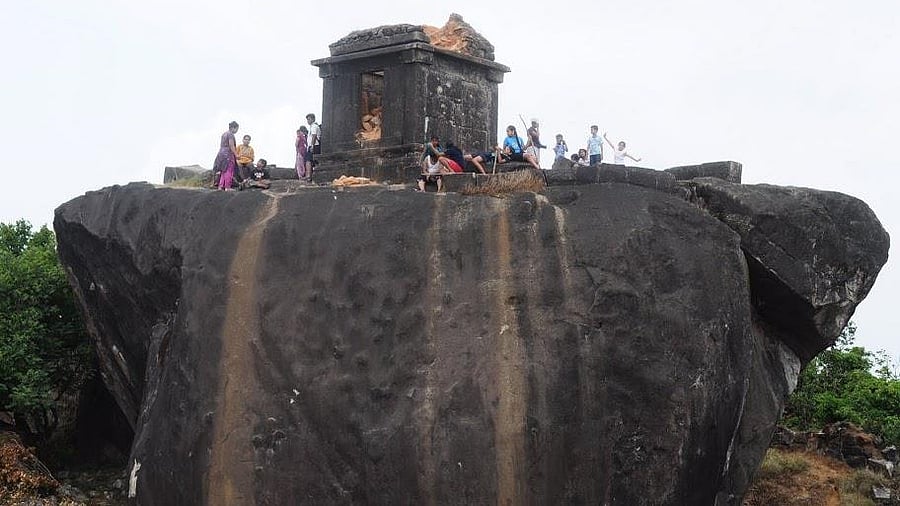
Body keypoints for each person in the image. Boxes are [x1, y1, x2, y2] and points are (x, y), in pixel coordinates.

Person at [212, 121, 239, 190]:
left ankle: (220, 186)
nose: (236, 131)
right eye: (236, 129)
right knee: (229, 170)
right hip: (228, 154)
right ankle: (227, 187)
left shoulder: (224, 134)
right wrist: (236, 154)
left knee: (223, 170)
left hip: (221, 153)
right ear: (233, 128)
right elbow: (231, 145)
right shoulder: (230, 134)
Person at [305, 113, 321, 179]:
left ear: (313, 119)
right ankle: (312, 175)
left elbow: (314, 136)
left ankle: (308, 175)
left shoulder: (314, 126)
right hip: (313, 145)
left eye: (309, 119)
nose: (308, 121)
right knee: (313, 161)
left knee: (308, 160)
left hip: (314, 145)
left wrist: (312, 146)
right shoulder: (312, 126)